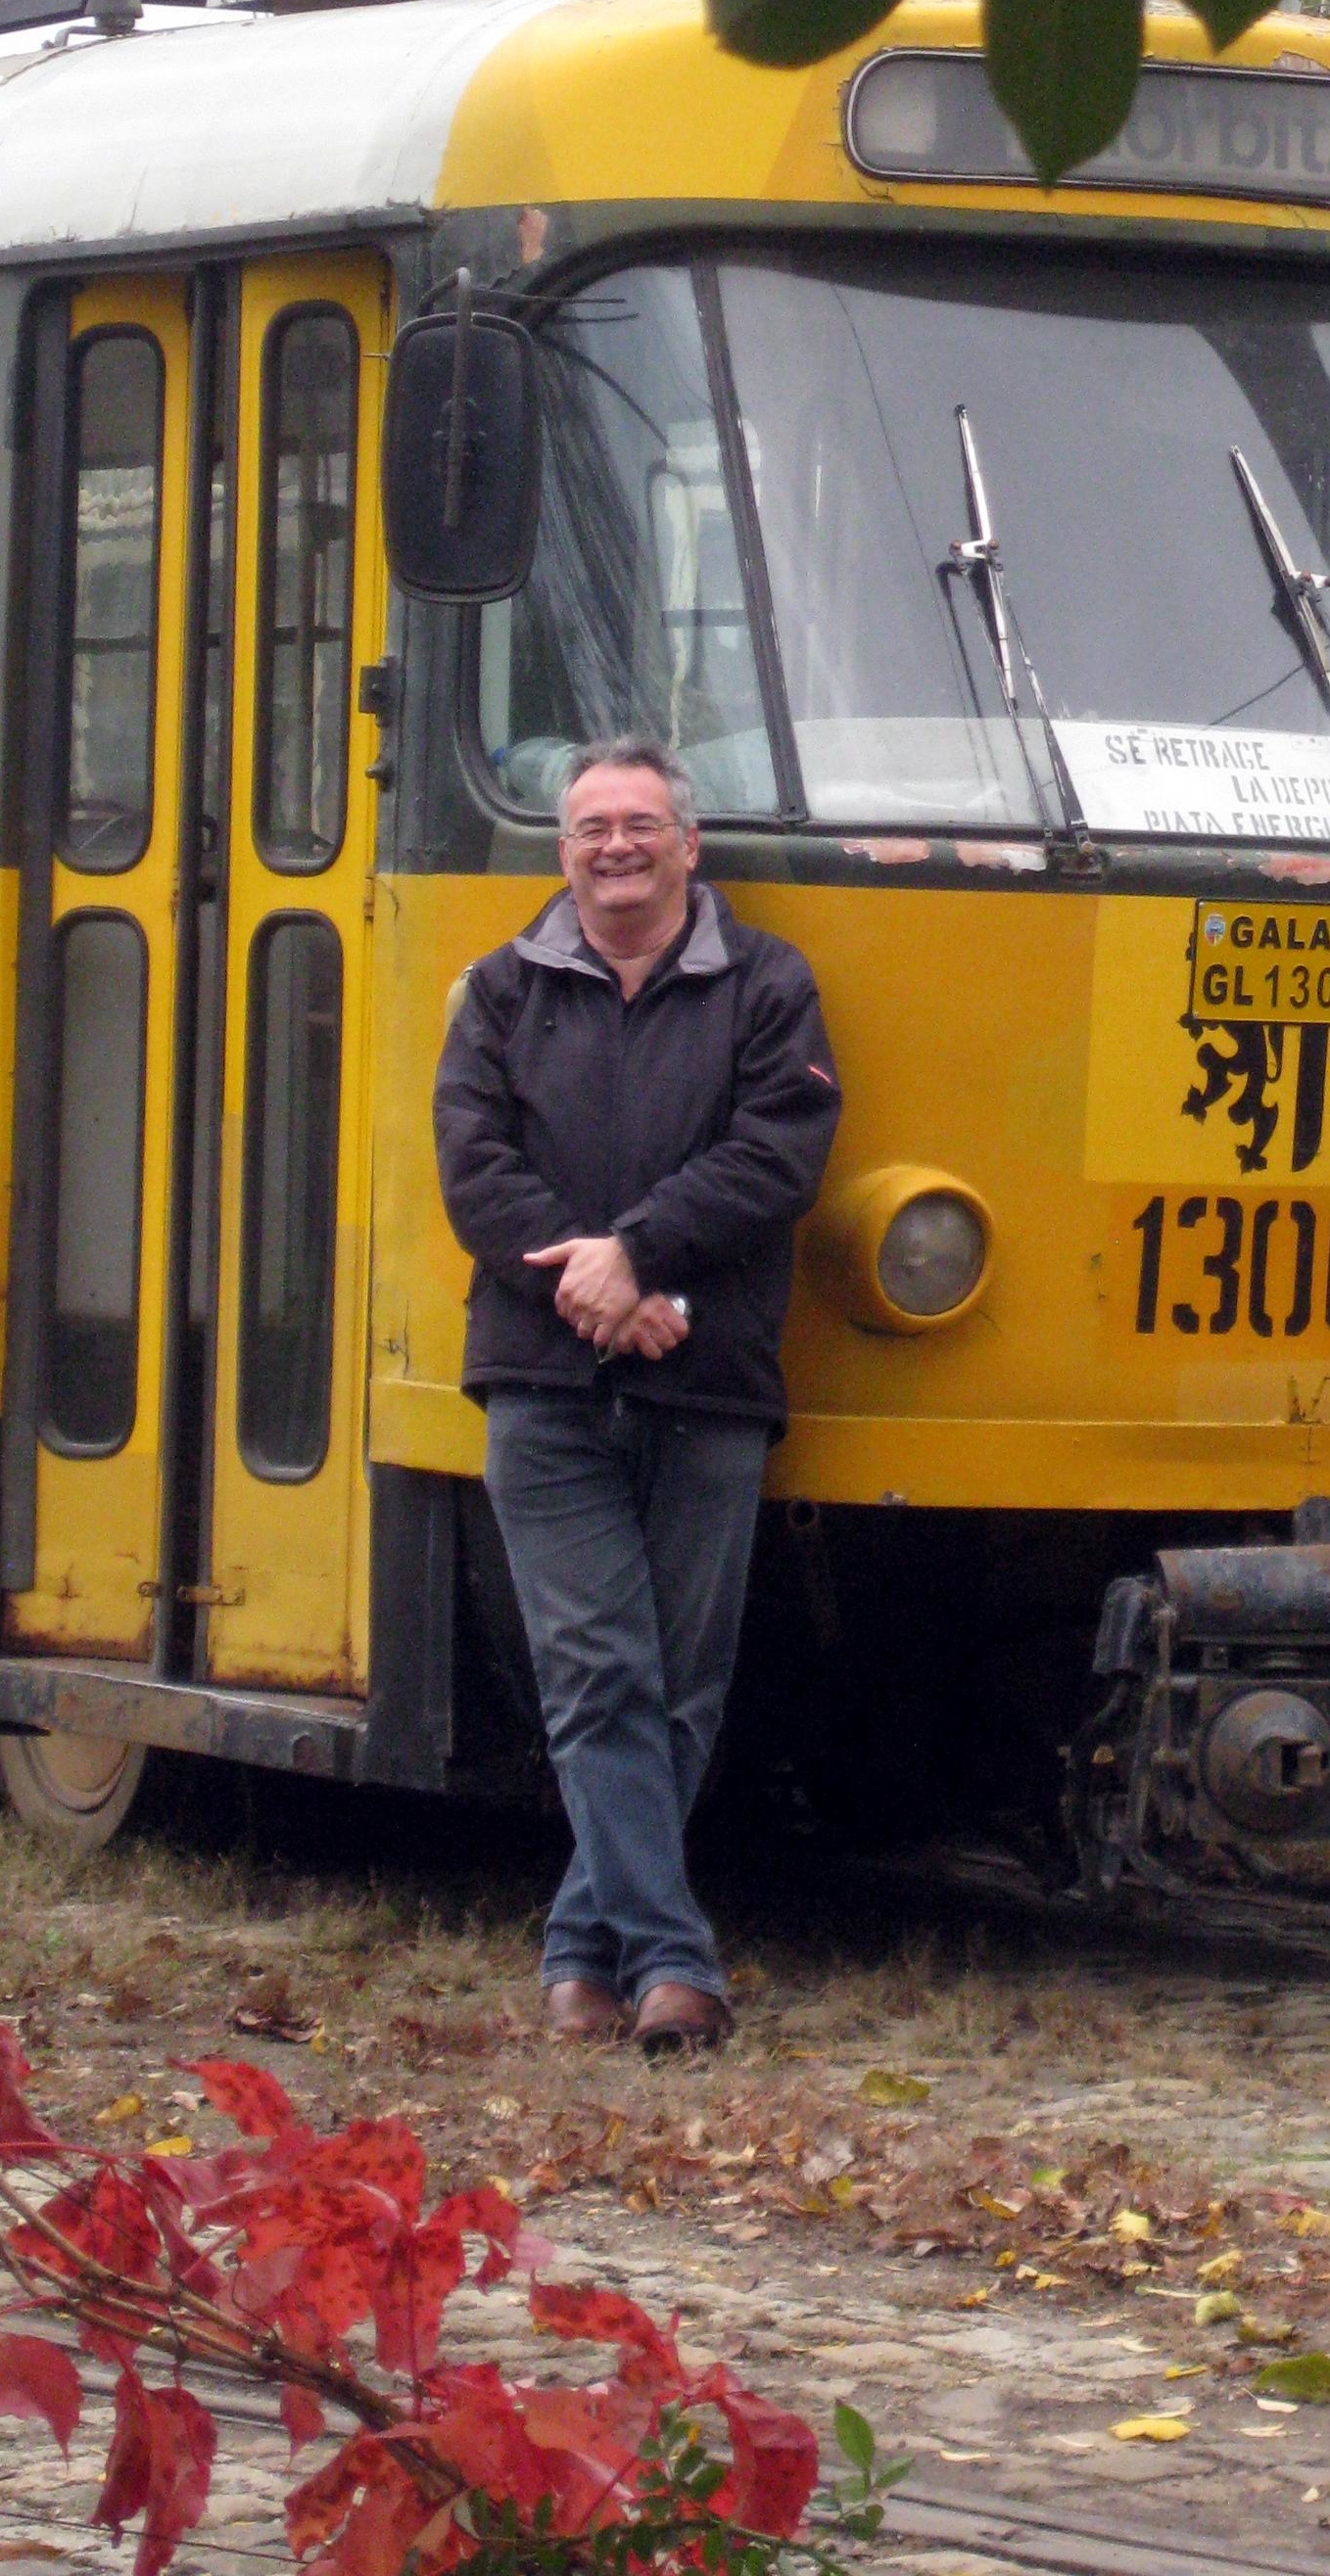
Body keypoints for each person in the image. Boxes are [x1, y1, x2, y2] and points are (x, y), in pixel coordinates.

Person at [433, 733, 840, 2052]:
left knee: (682, 1688)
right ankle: (675, 1963)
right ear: (563, 852)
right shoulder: (498, 992)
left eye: (639, 823)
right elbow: (475, 1168)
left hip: (708, 1377)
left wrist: (641, 1257)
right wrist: (597, 1290)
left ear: (687, 844)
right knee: (599, 1670)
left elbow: (779, 1153)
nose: (617, 845)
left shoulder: (769, 987)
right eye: (591, 826)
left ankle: (576, 1958)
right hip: (541, 1390)